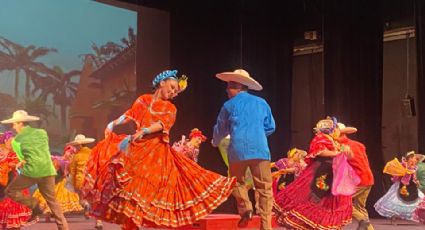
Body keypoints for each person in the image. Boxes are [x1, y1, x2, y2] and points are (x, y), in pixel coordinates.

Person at [81, 70, 235, 230]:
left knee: (145, 191)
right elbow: (130, 114)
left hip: (156, 155)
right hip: (137, 150)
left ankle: (132, 225)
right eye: (172, 87)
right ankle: (129, 226)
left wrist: (144, 131)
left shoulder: (171, 108)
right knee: (128, 189)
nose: (173, 92)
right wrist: (113, 123)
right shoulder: (143, 99)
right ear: (162, 83)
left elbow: (162, 124)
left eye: (176, 91)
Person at [212, 69, 275, 230]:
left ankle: (246, 207)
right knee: (264, 188)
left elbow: (221, 129)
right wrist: (258, 134)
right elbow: (271, 126)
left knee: (235, 181)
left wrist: (215, 141)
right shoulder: (262, 103)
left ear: (238, 86)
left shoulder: (228, 105)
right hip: (260, 150)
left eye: (229, 87)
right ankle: (266, 226)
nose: (226, 90)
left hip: (237, 150)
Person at [275, 117, 354, 229]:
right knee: (313, 196)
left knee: (328, 201)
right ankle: (304, 223)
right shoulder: (320, 138)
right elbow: (321, 152)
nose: (338, 132)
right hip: (321, 171)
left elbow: (349, 155)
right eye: (336, 129)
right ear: (330, 129)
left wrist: (347, 151)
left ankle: (321, 224)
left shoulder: (335, 142)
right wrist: (337, 153)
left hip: (335, 174)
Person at [1, 110, 68, 230]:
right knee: (52, 201)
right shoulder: (42, 132)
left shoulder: (17, 140)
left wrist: (20, 163)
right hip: (48, 170)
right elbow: (43, 151)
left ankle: (34, 205)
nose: (13, 127)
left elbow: (23, 158)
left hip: (32, 171)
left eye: (15, 124)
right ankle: (64, 228)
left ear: (21, 123)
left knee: (10, 191)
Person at [336, 123, 375, 230]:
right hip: (368, 178)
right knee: (359, 206)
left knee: (341, 202)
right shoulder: (358, 144)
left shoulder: (339, 146)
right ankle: (369, 228)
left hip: (359, 179)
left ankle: (363, 221)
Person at [32, 147, 83, 222]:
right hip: (52, 180)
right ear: (65, 152)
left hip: (61, 182)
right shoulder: (58, 159)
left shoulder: (68, 163)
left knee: (59, 198)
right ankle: (48, 216)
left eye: (72, 153)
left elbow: (66, 174)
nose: (70, 154)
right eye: (69, 152)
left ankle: (57, 216)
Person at [374, 151, 424, 222]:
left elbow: (414, 177)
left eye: (416, 159)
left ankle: (418, 215)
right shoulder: (403, 165)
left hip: (412, 186)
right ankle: (393, 216)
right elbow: (397, 175)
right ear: (409, 158)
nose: (415, 160)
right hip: (401, 185)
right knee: (395, 200)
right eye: (413, 158)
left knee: (418, 199)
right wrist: (402, 175)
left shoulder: (414, 168)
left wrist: (416, 181)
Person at [67, 134, 103, 229]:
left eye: (75, 146)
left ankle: (86, 206)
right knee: (95, 201)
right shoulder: (93, 153)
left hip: (81, 180)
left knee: (82, 200)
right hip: (93, 179)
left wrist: (73, 183)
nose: (75, 148)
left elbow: (72, 171)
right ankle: (99, 222)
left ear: (79, 146)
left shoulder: (76, 156)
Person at [0, 131, 35, 229]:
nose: (11, 143)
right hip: (4, 182)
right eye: (10, 141)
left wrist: (19, 164)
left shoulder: (16, 153)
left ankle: (14, 225)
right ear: (5, 141)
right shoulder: (2, 152)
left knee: (15, 206)